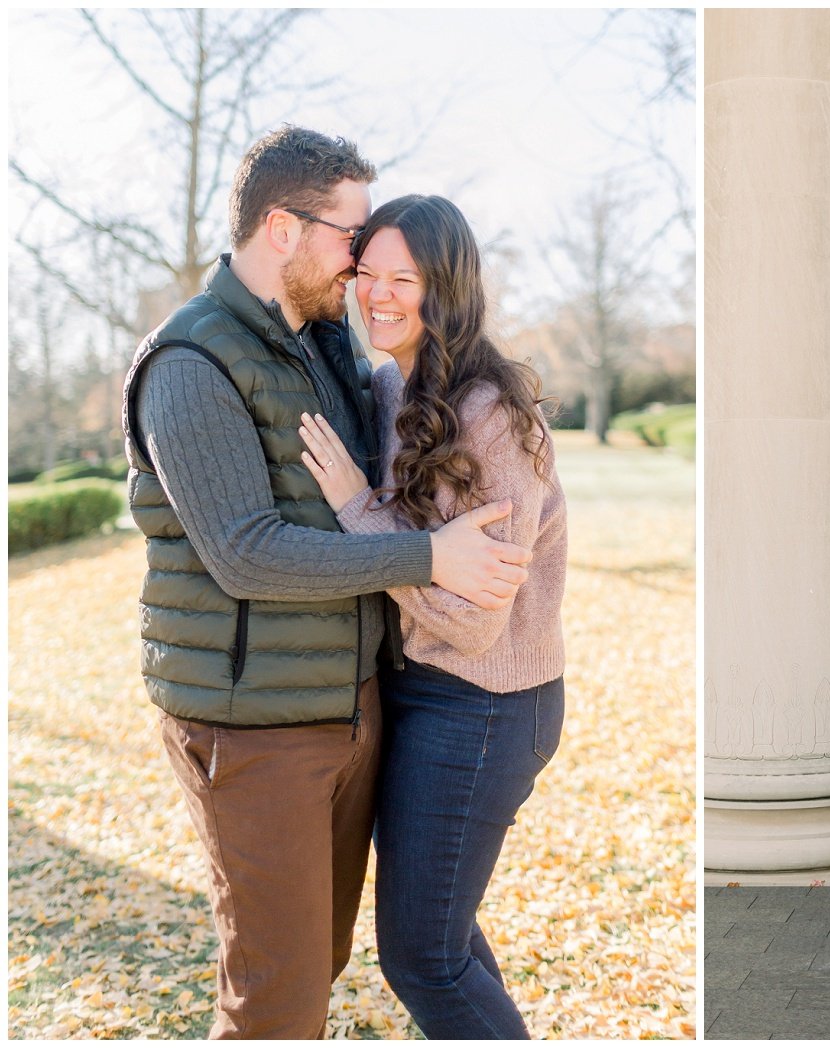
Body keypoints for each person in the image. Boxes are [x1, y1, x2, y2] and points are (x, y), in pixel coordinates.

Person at [122, 127, 532, 1039]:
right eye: (351, 238)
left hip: (353, 708)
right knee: (278, 998)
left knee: (327, 963)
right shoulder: (191, 364)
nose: (361, 264)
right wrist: (428, 558)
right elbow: (246, 552)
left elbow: (388, 483)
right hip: (254, 728)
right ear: (283, 226)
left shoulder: (323, 345)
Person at [298, 193, 567, 1039]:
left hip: (485, 703)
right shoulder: (391, 387)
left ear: (444, 287)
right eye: (365, 273)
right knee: (444, 939)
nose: (377, 293)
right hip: (422, 695)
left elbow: (472, 617)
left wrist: (356, 511)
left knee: (421, 958)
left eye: (402, 278)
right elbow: (430, 567)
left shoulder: (493, 416)